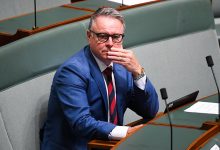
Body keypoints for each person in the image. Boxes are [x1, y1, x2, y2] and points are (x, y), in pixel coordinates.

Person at [41, 7, 159, 150]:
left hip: (108, 145)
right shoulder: (72, 71)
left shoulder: (122, 67)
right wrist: (125, 132)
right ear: (89, 36)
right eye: (103, 36)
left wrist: (137, 71)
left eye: (116, 37)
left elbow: (150, 111)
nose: (110, 43)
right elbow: (81, 122)